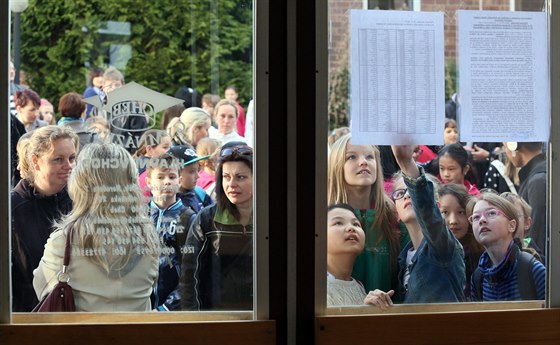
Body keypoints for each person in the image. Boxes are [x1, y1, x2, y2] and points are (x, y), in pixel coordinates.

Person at [33, 143, 160, 311]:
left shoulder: (64, 241)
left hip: (82, 336)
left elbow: (41, 290)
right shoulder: (149, 237)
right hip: (137, 335)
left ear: (80, 182)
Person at [364, 145, 465, 309]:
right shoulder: (402, 258)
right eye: (399, 193)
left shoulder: (443, 246)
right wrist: (376, 303)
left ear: (437, 208)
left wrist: (406, 163)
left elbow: (427, 209)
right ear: (396, 212)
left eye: (410, 190)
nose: (406, 195)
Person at [327, 133, 407, 294]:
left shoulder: (393, 214)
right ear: (337, 165)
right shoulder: (323, 217)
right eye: (351, 157)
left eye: (369, 157)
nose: (363, 161)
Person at [11, 125, 79, 311]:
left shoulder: (80, 200)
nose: (69, 166)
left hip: (75, 312)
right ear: (36, 161)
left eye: (72, 158)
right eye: (58, 159)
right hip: (29, 317)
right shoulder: (12, 209)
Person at [180, 144, 253, 310]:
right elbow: (189, 276)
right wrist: (195, 320)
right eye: (226, 177)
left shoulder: (270, 218)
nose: (231, 184)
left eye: (240, 177)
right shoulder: (206, 218)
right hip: (216, 318)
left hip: (261, 319)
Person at [467, 193, 546, 301]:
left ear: (512, 225)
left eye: (491, 213)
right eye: (476, 217)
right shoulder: (478, 278)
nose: (482, 220)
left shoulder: (532, 270)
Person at [145, 153, 193, 311]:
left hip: (173, 308)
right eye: (160, 177)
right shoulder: (139, 217)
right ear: (149, 182)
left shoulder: (188, 218)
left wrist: (168, 307)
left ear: (179, 181)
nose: (167, 182)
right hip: (141, 304)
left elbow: (192, 270)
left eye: (172, 177)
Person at [438, 183, 484, 300]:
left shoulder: (482, 257)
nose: (453, 221)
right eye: (445, 212)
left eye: (461, 212)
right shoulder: (430, 255)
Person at [502, 142, 547, 261]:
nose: (505, 151)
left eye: (505, 145)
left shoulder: (537, 181)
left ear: (513, 145)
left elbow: (537, 236)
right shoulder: (538, 176)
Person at [326, 203, 367, 307]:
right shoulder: (316, 290)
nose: (351, 228)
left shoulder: (359, 286)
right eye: (338, 223)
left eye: (356, 224)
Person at [168, 145, 213, 213]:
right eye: (192, 171)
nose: (198, 176)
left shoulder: (199, 192)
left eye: (198, 170)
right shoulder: (167, 201)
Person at [133, 129, 172, 197]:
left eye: (170, 147)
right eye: (165, 147)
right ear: (149, 149)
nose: (170, 151)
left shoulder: (136, 162)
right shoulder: (150, 167)